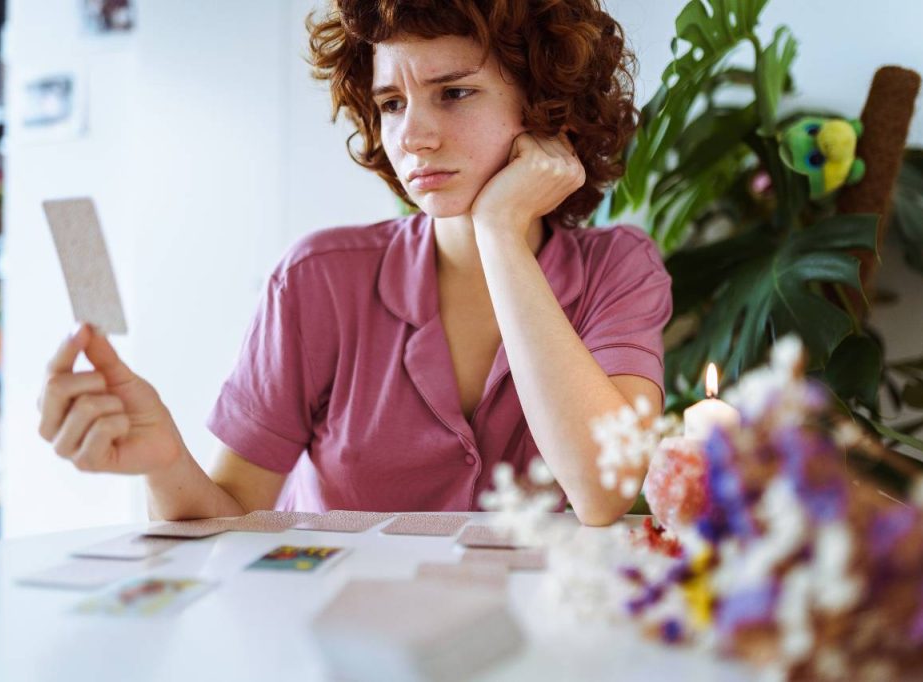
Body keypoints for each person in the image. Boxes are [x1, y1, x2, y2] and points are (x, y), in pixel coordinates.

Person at [36, 0, 672, 527]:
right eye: (392, 102)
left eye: (454, 93)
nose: (414, 135)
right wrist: (162, 460)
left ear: (544, 106)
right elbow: (226, 519)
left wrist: (500, 232)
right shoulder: (318, 279)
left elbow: (602, 491)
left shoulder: (618, 271)